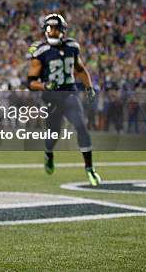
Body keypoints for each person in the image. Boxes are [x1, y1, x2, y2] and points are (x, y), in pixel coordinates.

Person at [27, 13, 101, 187]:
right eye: (49, 28)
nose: (52, 32)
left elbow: (80, 69)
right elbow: (30, 82)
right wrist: (45, 86)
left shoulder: (72, 46)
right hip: (52, 98)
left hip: (69, 94)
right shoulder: (41, 51)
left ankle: (89, 168)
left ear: (63, 30)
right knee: (54, 133)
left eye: (56, 28)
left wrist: (89, 87)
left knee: (81, 126)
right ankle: (49, 153)